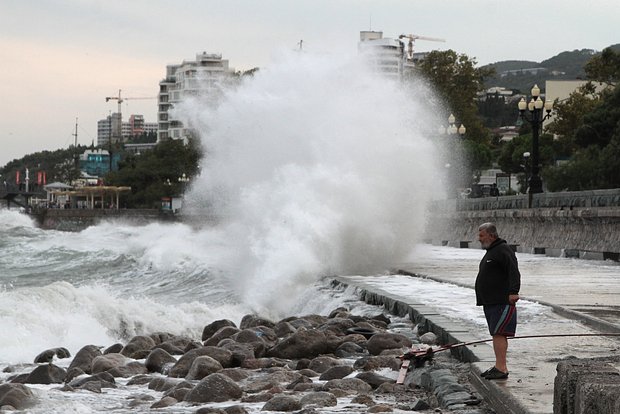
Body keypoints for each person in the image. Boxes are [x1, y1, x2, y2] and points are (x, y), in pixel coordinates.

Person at [475, 222, 521, 380]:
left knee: (499, 333)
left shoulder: (502, 250)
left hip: (501, 301)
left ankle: (501, 368)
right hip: (491, 301)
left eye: (481, 235)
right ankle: (498, 366)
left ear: (491, 235)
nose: (479, 238)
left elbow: (513, 271)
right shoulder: (492, 251)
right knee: (496, 333)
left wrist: (514, 292)